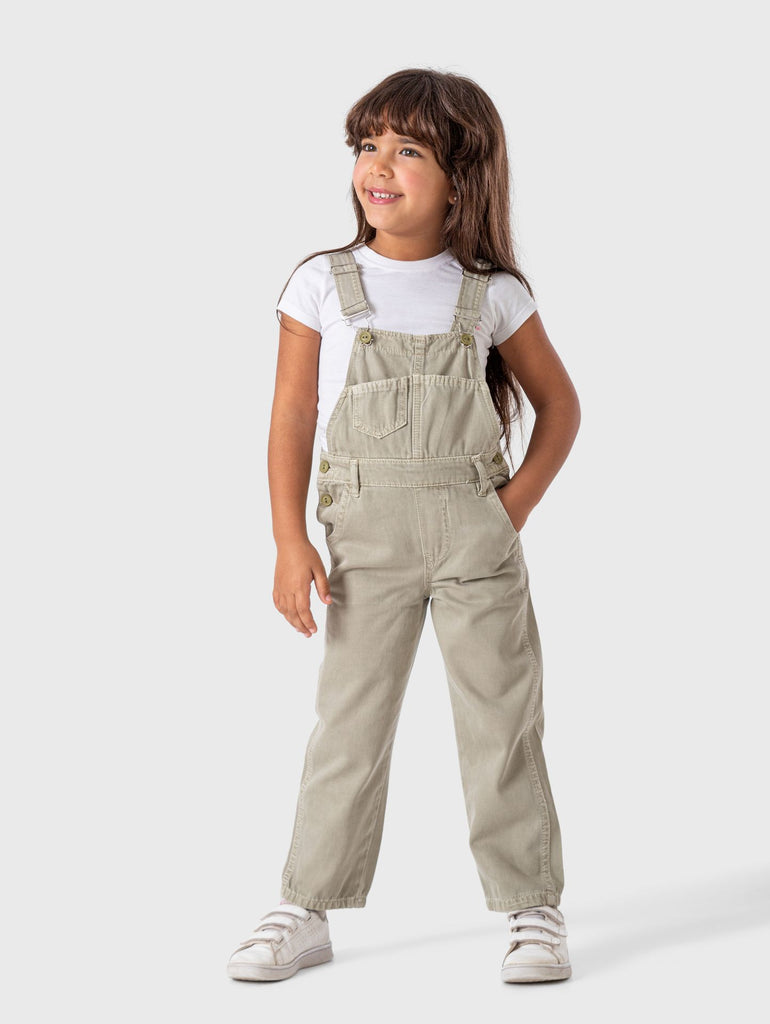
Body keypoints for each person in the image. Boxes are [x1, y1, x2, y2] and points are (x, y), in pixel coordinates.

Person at [227, 67, 580, 986]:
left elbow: (560, 407)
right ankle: (306, 906)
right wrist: (289, 539)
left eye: (408, 150)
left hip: (476, 541)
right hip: (364, 545)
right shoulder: (321, 282)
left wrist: (509, 512)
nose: (378, 166)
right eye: (367, 145)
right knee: (348, 726)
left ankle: (531, 905)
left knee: (501, 723)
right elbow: (292, 416)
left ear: (462, 179)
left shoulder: (490, 293)